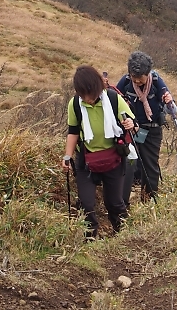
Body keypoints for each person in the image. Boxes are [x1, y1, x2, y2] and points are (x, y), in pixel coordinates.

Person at [61, 65, 135, 238]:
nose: (87, 100)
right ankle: (90, 240)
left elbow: (133, 124)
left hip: (113, 159)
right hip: (86, 161)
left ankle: (123, 236)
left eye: (91, 95)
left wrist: (131, 124)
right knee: (86, 204)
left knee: (115, 203)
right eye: (83, 96)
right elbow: (73, 132)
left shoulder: (113, 98)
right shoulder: (75, 104)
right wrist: (67, 156)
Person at [117, 51, 176, 204]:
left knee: (150, 166)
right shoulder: (125, 81)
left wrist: (169, 101)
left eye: (140, 80)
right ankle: (123, 200)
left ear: (148, 73)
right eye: (133, 78)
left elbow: (172, 109)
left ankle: (148, 201)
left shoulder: (156, 81)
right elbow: (114, 100)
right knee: (128, 162)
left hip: (152, 130)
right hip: (131, 128)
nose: (136, 82)